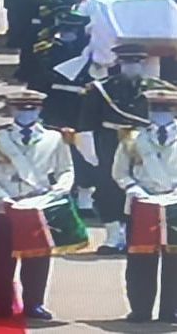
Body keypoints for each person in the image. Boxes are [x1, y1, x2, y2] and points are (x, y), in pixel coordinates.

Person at [0, 90, 74, 321]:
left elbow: (65, 170)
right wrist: (1, 195)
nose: (26, 113)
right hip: (3, 205)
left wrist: (55, 193)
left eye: (32, 109)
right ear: (11, 110)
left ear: (39, 110)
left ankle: (34, 303)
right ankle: (0, 303)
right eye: (21, 109)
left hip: (38, 204)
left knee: (37, 258)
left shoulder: (54, 138)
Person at [78, 44, 177, 255]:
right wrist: (90, 152)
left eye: (135, 62)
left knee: (147, 185)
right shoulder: (101, 89)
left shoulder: (160, 89)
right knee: (108, 187)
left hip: (147, 143)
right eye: (126, 62)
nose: (131, 67)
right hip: (110, 142)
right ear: (119, 63)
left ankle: (144, 231)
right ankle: (114, 235)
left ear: (142, 63)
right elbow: (86, 123)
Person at [112, 89, 177, 324]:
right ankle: (140, 308)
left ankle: (172, 309)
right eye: (156, 109)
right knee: (140, 261)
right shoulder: (132, 138)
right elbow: (120, 171)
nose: (160, 114)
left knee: (175, 261)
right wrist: (133, 188)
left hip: (175, 202)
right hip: (142, 203)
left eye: (166, 109)